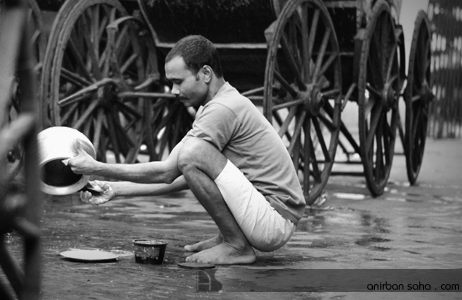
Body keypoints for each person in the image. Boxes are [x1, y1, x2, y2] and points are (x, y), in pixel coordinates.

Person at [64, 35, 305, 265]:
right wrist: (114, 189)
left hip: (274, 220)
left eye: (178, 81)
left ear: (206, 73)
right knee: (191, 156)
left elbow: (167, 171)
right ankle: (229, 236)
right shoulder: (213, 107)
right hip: (266, 217)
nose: (173, 91)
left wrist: (96, 167)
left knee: (192, 153)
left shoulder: (223, 109)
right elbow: (182, 174)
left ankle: (236, 245)